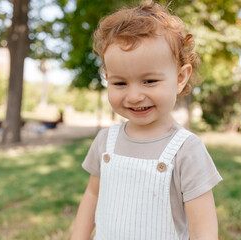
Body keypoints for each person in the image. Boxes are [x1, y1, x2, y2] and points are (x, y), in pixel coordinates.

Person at [71, 2, 222, 240]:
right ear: (107, 79)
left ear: (180, 78)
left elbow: (204, 231)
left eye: (149, 81)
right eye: (120, 83)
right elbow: (92, 195)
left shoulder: (186, 150)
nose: (134, 96)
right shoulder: (105, 141)